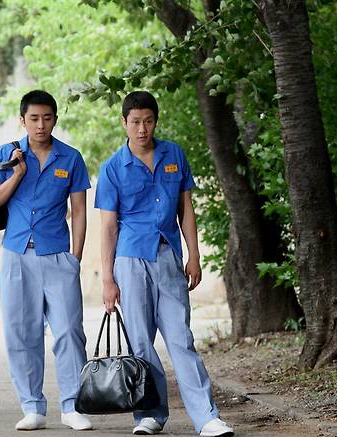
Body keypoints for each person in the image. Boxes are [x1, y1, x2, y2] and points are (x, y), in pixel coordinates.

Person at [95, 91, 234, 437]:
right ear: (124, 123)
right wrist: (108, 279)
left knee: (181, 339)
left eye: (148, 121)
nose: (142, 129)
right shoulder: (112, 168)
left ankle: (207, 418)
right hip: (130, 260)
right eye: (135, 122)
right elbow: (108, 227)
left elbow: (186, 209)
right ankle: (149, 415)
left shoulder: (174, 155)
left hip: (168, 256)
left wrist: (194, 255)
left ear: (156, 121)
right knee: (141, 343)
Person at [0, 90, 92, 432]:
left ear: (55, 119)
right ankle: (32, 406)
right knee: (21, 332)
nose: (40, 125)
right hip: (16, 255)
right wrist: (16, 174)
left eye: (47, 118)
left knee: (69, 331)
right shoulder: (7, 154)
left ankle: (72, 406)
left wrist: (75, 258)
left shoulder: (70, 158)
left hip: (58, 255)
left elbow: (79, 211)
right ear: (22, 120)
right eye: (33, 118)